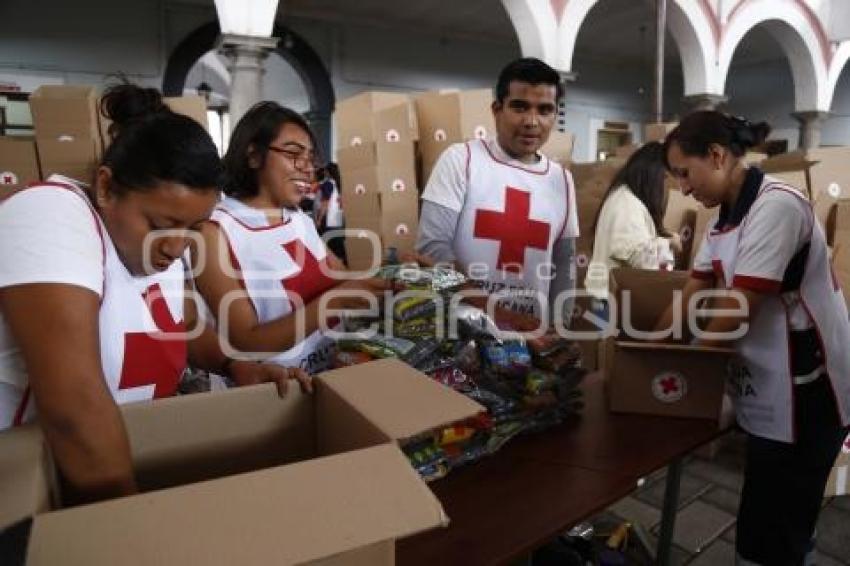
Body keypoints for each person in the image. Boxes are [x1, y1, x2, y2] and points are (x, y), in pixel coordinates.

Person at [0, 84, 307, 504]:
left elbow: (175, 325)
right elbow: (73, 406)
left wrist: (233, 364)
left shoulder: (156, 247)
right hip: (29, 479)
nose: (177, 248)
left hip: (111, 461)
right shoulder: (50, 214)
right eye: (162, 226)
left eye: (194, 229)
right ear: (106, 188)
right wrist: (139, 522)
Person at [657, 111, 850, 565]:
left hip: (810, 394)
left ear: (718, 156)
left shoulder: (776, 207)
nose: (683, 188)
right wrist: (646, 349)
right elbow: (692, 291)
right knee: (761, 514)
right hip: (771, 386)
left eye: (685, 173)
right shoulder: (725, 218)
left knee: (782, 525)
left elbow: (738, 309)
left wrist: (680, 376)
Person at [192, 102, 389, 375]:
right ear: (253, 155)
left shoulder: (299, 219)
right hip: (278, 388)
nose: (307, 168)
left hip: (335, 369)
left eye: (310, 158)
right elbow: (245, 341)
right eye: (294, 154)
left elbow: (343, 277)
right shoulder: (215, 231)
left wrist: (394, 270)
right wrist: (334, 302)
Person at [416, 57, 579, 323]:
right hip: (460, 332)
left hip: (528, 341)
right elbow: (431, 250)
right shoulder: (462, 160)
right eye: (520, 106)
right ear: (496, 109)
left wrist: (559, 330)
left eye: (544, 110)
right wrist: (499, 314)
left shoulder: (562, 180)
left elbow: (564, 264)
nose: (531, 121)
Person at [585, 142, 681, 309]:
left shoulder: (624, 197)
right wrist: (669, 243)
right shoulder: (627, 204)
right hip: (611, 300)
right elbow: (636, 254)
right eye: (664, 177)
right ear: (651, 174)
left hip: (609, 296)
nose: (665, 186)